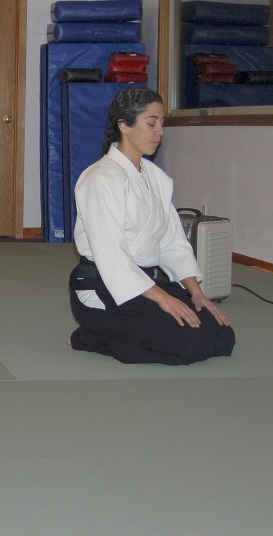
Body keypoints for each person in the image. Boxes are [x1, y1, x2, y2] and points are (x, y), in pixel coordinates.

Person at [68, 86, 235, 365]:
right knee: (187, 344)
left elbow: (172, 241)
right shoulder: (99, 178)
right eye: (151, 122)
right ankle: (92, 336)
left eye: (162, 123)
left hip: (145, 283)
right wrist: (164, 299)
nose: (160, 131)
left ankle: (116, 330)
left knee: (221, 334)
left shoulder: (156, 178)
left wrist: (196, 293)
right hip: (102, 287)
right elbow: (112, 256)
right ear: (124, 126)